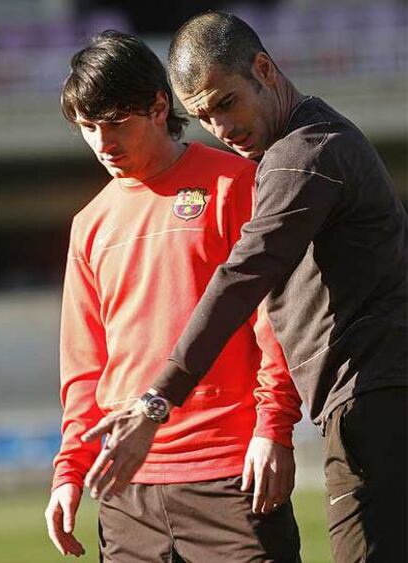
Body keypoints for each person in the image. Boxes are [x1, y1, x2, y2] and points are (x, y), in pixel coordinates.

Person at [83, 12, 408, 563]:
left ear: (265, 69)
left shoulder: (303, 155)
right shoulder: (306, 147)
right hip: (367, 395)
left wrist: (157, 400)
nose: (221, 129)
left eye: (227, 102)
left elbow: (240, 280)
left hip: (377, 399)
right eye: (203, 116)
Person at [44, 30, 303, 562]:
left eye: (116, 123)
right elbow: (84, 365)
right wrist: (70, 470)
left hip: (231, 473)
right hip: (124, 485)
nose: (102, 143)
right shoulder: (89, 224)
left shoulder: (236, 184)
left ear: (160, 106)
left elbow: (274, 323)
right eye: (88, 128)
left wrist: (273, 428)